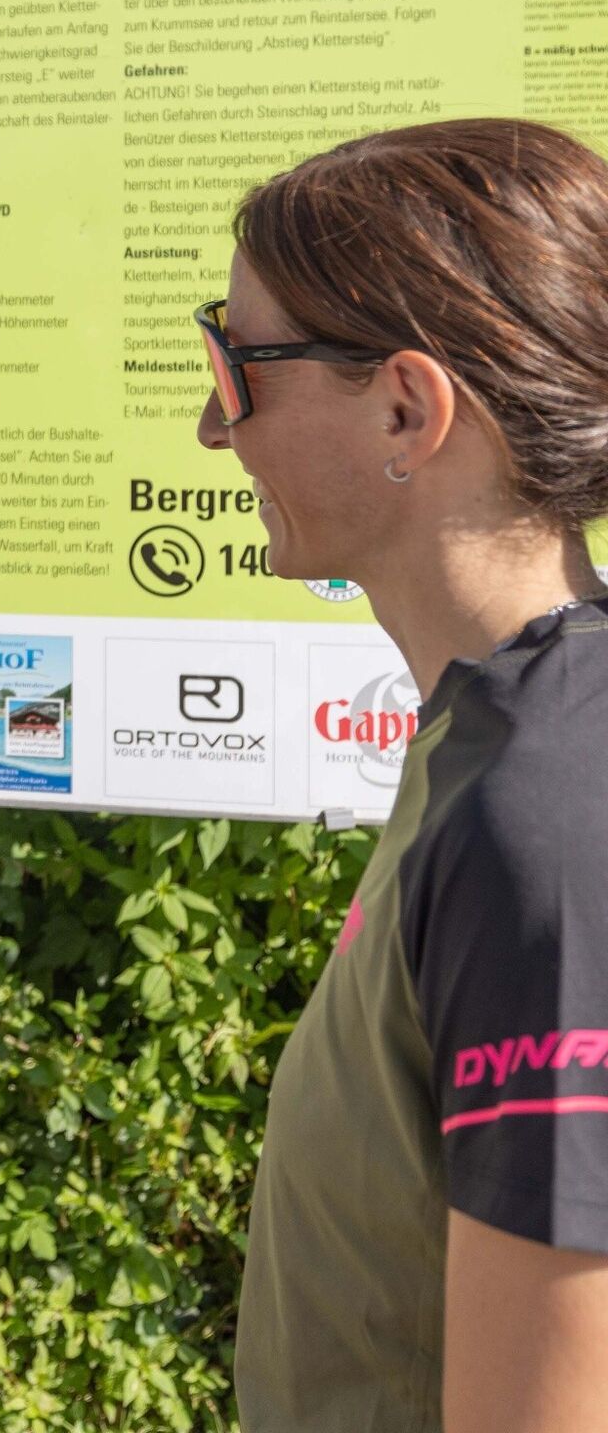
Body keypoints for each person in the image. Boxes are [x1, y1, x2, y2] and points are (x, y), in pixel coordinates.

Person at [195, 118, 608, 1432]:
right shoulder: (499, 735)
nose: (211, 427)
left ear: (405, 409)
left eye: (235, 366)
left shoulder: (549, 802)